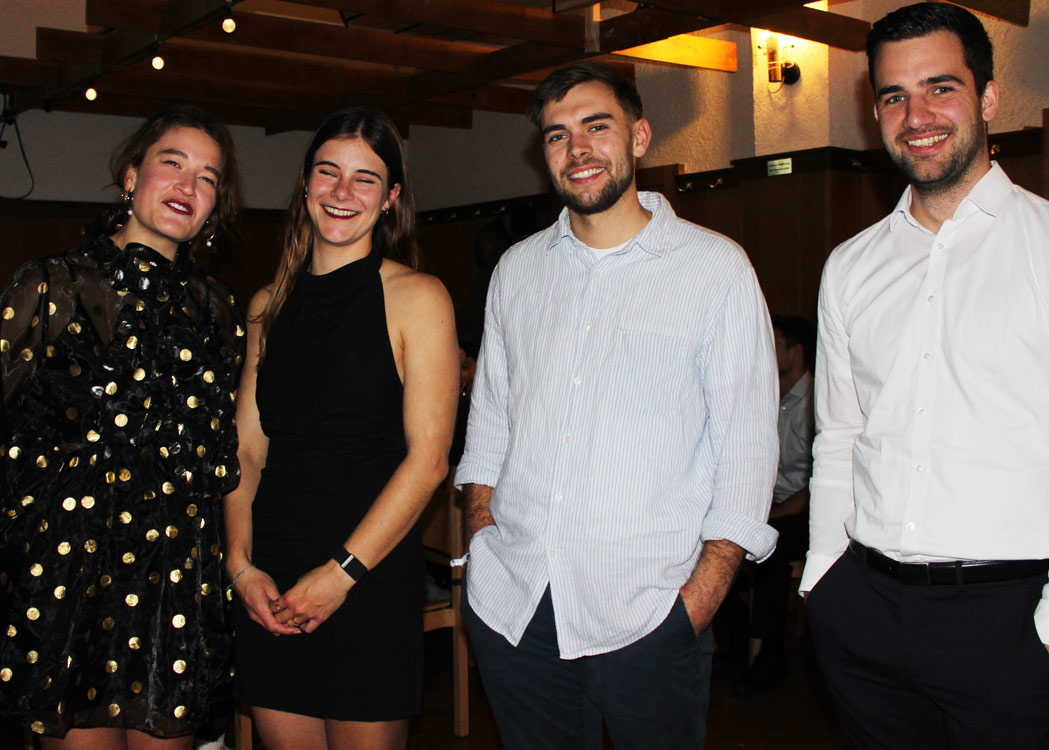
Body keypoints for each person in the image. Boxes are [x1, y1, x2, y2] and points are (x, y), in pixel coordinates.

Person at [801, 4, 1049, 749]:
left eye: (942, 87)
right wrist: (825, 577)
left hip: (1009, 621)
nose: (917, 116)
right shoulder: (851, 267)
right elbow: (841, 437)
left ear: (988, 97)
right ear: (875, 113)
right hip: (863, 609)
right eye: (894, 96)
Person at [455, 61, 779, 750]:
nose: (577, 149)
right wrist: (481, 538)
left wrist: (695, 606)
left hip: (651, 613)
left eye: (596, 127)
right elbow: (489, 427)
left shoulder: (715, 269)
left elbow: (748, 453)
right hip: (515, 607)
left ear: (638, 136)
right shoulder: (518, 270)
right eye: (557, 135)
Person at [0, 106, 244, 748]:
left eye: (207, 177)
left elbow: (222, 455)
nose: (187, 185)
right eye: (172, 163)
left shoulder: (216, 310)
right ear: (131, 175)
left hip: (174, 582)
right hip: (68, 578)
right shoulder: (50, 287)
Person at [224, 108, 458, 749]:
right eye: (328, 172)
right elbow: (246, 449)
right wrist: (240, 564)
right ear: (306, 184)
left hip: (369, 571)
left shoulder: (419, 297)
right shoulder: (266, 305)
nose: (342, 191)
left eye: (365, 178)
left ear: (391, 198)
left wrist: (341, 573)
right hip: (271, 573)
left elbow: (428, 461)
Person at [734, 314, 815, 697]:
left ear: (795, 353)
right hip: (772, 503)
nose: (766, 349)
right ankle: (733, 638)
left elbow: (816, 485)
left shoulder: (815, 402)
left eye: (775, 342)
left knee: (772, 547)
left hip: (806, 511)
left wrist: (769, 517)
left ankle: (771, 653)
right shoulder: (771, 396)